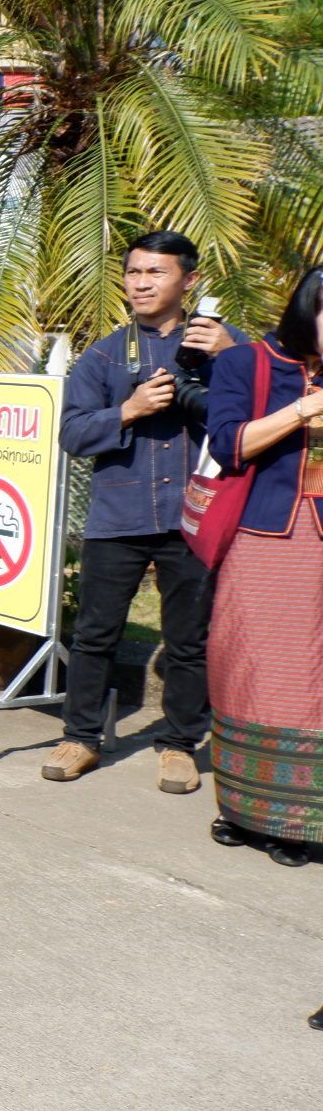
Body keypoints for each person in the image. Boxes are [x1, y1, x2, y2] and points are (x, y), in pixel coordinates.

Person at [48, 231, 242, 790]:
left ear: (190, 280)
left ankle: (179, 743)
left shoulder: (224, 344)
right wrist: (128, 411)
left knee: (189, 639)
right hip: (118, 516)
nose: (140, 283)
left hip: (196, 516)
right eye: (133, 272)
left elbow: (268, 410)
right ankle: (80, 738)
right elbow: (72, 434)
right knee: (94, 634)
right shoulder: (105, 354)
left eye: (155, 273)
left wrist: (230, 360)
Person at [203, 266, 323, 865]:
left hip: (319, 543)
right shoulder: (247, 363)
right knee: (247, 668)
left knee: (311, 682)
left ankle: (300, 820)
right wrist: (303, 410)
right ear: (308, 309)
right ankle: (244, 810)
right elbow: (229, 444)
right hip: (262, 537)